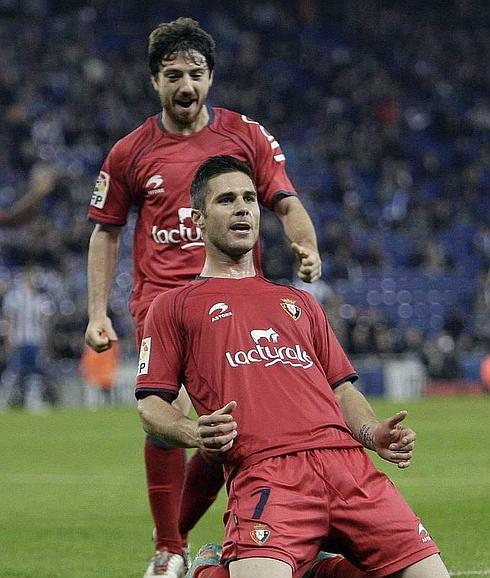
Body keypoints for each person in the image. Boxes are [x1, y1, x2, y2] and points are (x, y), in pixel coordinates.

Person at [84, 17, 321, 578]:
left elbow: (285, 201)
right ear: (154, 82)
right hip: (166, 304)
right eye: (172, 76)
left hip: (240, 300)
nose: (184, 86)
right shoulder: (130, 153)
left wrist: (306, 248)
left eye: (194, 74)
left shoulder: (245, 135)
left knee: (229, 429)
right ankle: (169, 546)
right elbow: (106, 230)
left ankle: (200, 538)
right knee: (168, 414)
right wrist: (97, 310)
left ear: (211, 77)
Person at [136, 156, 450, 578]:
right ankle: (210, 570)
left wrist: (372, 433)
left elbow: (341, 390)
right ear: (197, 220)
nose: (243, 207)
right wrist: (193, 431)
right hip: (268, 473)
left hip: (349, 468)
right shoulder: (174, 306)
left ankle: (318, 568)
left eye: (249, 198)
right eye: (226, 200)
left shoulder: (299, 302)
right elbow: (151, 406)